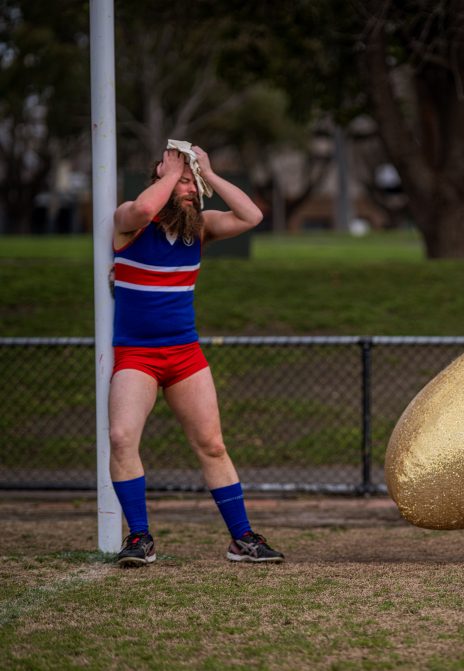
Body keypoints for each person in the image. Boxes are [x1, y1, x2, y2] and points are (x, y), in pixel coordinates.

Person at [109, 145, 284, 566]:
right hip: (137, 356)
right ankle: (139, 538)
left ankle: (242, 539)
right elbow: (145, 206)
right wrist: (172, 173)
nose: (192, 191)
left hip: (185, 355)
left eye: (194, 185)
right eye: (183, 183)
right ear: (160, 178)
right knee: (121, 438)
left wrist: (207, 170)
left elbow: (252, 216)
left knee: (212, 444)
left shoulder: (200, 228)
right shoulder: (128, 221)